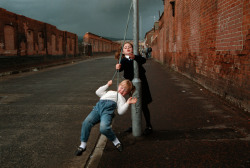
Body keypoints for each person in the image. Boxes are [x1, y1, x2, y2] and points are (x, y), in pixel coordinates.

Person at [75, 79, 137, 156]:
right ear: (118, 86)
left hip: (107, 112)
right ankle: (83, 145)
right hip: (97, 109)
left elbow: (120, 112)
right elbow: (98, 92)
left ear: (127, 93)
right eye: (121, 88)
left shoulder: (121, 98)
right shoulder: (109, 92)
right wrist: (107, 85)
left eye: (124, 91)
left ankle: (115, 141)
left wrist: (127, 103)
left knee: (104, 128)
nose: (121, 91)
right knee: (86, 122)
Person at [115, 42, 153, 135]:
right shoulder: (123, 60)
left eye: (129, 47)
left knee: (143, 105)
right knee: (133, 103)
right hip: (131, 85)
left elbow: (143, 60)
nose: (127, 48)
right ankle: (134, 125)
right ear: (123, 51)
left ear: (133, 49)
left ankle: (149, 125)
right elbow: (120, 69)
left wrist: (135, 57)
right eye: (125, 47)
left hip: (142, 83)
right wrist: (117, 67)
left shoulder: (136, 57)